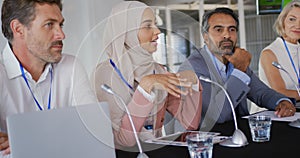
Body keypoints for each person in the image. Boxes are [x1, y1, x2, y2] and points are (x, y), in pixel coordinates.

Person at [92, 1, 202, 149]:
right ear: (126, 33)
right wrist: (146, 86)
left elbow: (191, 123)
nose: (157, 31)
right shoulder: (105, 75)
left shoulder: (158, 70)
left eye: (155, 24)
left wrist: (193, 82)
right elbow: (124, 141)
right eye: (148, 26)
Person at [0, 0, 97, 156]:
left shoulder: (71, 67)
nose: (61, 34)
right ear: (18, 29)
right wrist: (68, 135)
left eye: (60, 25)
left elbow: (94, 132)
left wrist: (26, 140)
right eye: (49, 25)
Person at [179, 7, 296, 131]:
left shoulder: (233, 59)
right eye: (219, 29)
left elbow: (261, 93)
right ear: (205, 36)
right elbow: (218, 115)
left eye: (232, 29)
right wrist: (240, 70)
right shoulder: (192, 67)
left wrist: (282, 101)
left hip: (237, 133)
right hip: (205, 141)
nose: (227, 35)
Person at [259, 1, 300, 105]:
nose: (297, 25)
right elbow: (279, 92)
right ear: (283, 22)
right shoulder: (269, 53)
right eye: (292, 19)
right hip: (271, 114)